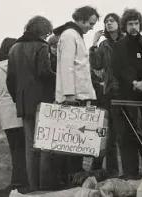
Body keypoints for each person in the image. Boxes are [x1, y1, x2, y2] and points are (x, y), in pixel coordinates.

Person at [6, 16, 55, 191]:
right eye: (47, 32)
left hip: (23, 103)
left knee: (29, 147)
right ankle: (45, 187)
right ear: (42, 31)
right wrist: (59, 79)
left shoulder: (14, 48)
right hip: (42, 101)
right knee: (44, 145)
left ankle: (33, 187)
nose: (47, 35)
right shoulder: (42, 46)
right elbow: (44, 73)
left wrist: (17, 98)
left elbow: (10, 80)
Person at [54, 6, 99, 185]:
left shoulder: (74, 35)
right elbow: (67, 66)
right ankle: (69, 181)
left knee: (76, 143)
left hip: (78, 96)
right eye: (90, 23)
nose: (91, 27)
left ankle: (73, 180)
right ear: (80, 19)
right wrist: (69, 94)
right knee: (71, 143)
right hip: (73, 98)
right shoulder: (70, 36)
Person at [0, 38, 28, 193]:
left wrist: (0, 104)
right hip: (21, 110)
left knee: (14, 148)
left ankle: (16, 182)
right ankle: (23, 181)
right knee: (24, 148)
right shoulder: (20, 65)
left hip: (6, 113)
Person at [89, 13, 124, 177]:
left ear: (119, 23)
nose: (109, 23)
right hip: (110, 93)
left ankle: (134, 170)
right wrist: (94, 43)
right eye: (106, 22)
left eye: (112, 21)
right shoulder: (103, 45)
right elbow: (96, 64)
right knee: (109, 134)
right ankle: (113, 171)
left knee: (130, 131)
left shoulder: (128, 41)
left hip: (128, 92)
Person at [112, 8, 142, 179]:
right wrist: (133, 82)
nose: (134, 27)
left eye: (136, 23)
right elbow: (119, 68)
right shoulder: (119, 47)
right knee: (127, 135)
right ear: (125, 26)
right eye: (130, 24)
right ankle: (130, 174)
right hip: (126, 97)